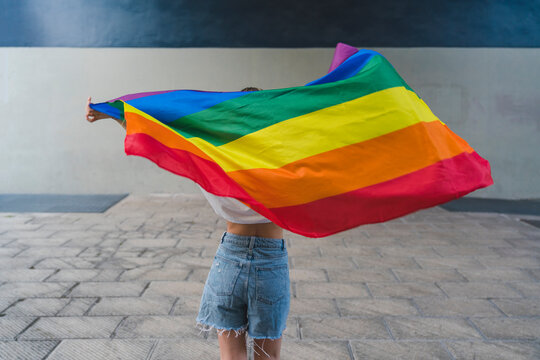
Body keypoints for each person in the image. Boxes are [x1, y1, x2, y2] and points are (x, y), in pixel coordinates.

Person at [85, 88, 290, 360]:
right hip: (269, 265)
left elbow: (156, 133)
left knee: (231, 358)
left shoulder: (213, 162)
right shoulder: (285, 165)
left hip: (229, 263)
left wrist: (112, 114)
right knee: (269, 358)